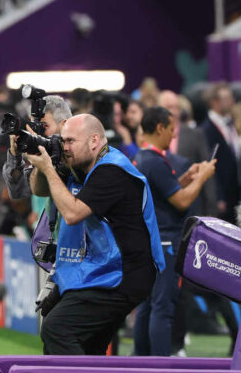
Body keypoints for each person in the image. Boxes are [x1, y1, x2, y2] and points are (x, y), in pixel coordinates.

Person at [25, 114, 165, 355]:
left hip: (126, 274)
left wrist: (48, 168)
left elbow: (72, 213)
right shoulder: (81, 164)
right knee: (87, 343)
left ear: (94, 141)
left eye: (70, 141)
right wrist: (40, 161)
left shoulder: (112, 170)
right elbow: (39, 190)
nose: (64, 148)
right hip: (105, 268)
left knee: (57, 328)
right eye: (62, 141)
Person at [132, 107, 216, 356]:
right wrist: (202, 178)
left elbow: (165, 192)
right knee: (163, 307)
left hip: (152, 238)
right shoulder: (156, 161)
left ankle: (141, 358)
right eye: (171, 129)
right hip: (166, 241)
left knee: (149, 304)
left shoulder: (144, 158)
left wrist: (188, 177)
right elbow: (180, 201)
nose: (173, 134)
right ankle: (158, 365)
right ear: (159, 128)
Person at [200, 83, 241, 223]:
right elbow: (208, 164)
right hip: (222, 198)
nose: (231, 102)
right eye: (226, 98)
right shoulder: (206, 130)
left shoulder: (230, 124)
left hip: (236, 193)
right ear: (214, 102)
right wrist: (218, 196)